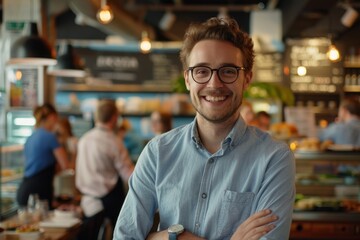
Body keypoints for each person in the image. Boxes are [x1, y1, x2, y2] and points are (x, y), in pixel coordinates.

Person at [114, 17, 295, 240]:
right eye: (201, 71)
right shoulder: (158, 152)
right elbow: (125, 237)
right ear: (188, 79)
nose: (214, 84)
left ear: (246, 79)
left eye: (228, 71)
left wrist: (161, 237)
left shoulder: (274, 158)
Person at [76, 99, 135, 240]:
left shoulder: (84, 139)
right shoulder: (114, 141)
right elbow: (129, 174)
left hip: (86, 202)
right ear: (114, 118)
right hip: (109, 203)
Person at [16, 103, 70, 209]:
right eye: (56, 118)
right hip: (39, 192)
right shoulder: (50, 137)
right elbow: (65, 165)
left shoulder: (31, 137)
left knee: (29, 226)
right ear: (52, 117)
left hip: (24, 190)